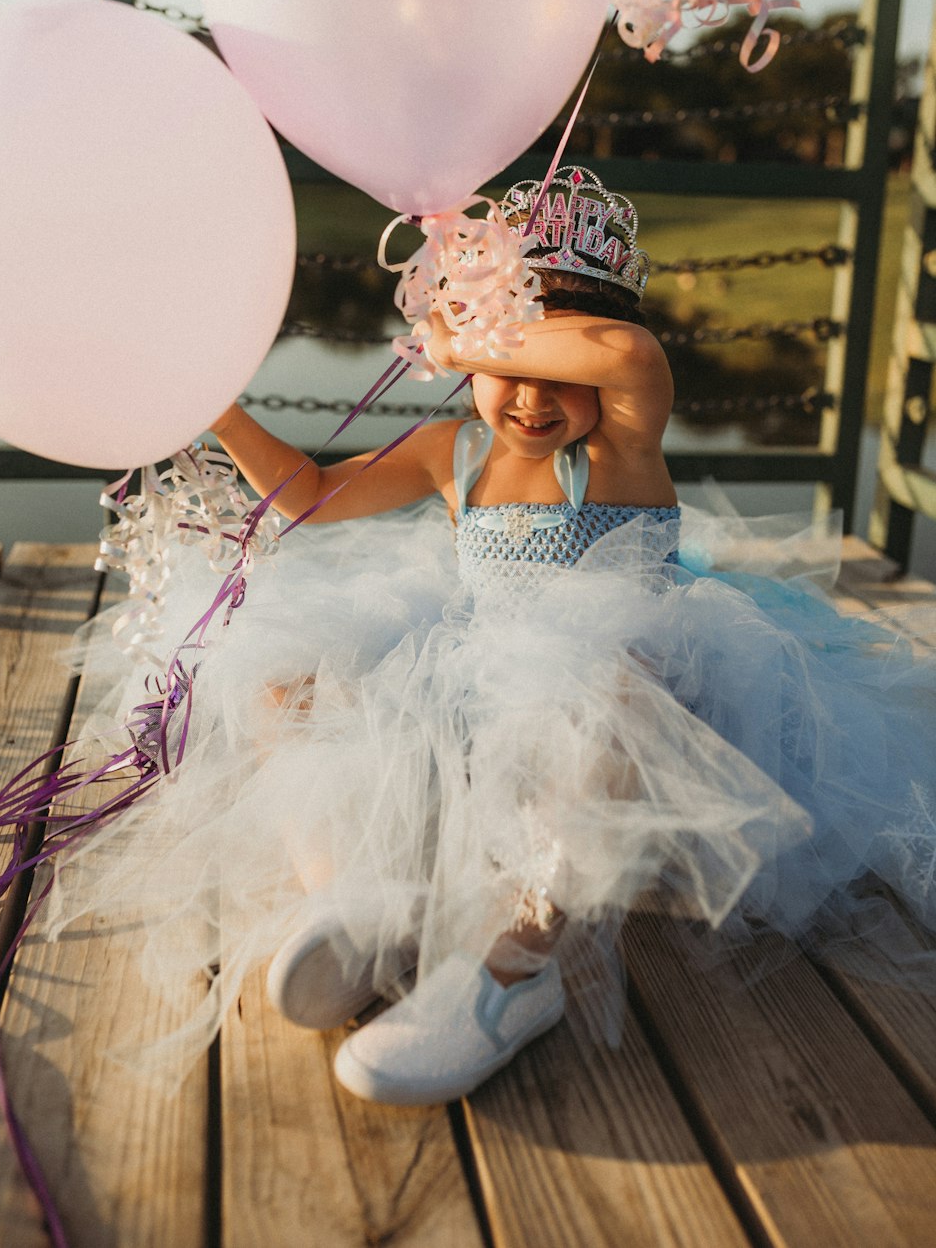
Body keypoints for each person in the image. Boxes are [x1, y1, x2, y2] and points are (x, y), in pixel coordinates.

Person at [52, 167, 936, 1107]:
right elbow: (306, 501)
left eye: (560, 373)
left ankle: (519, 965)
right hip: (479, 671)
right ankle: (356, 898)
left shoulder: (617, 449)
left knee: (613, 684)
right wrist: (220, 408)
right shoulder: (455, 453)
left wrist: (462, 324)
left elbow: (627, 351)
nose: (531, 397)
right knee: (283, 674)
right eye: (504, 371)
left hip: (632, 694)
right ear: (469, 372)